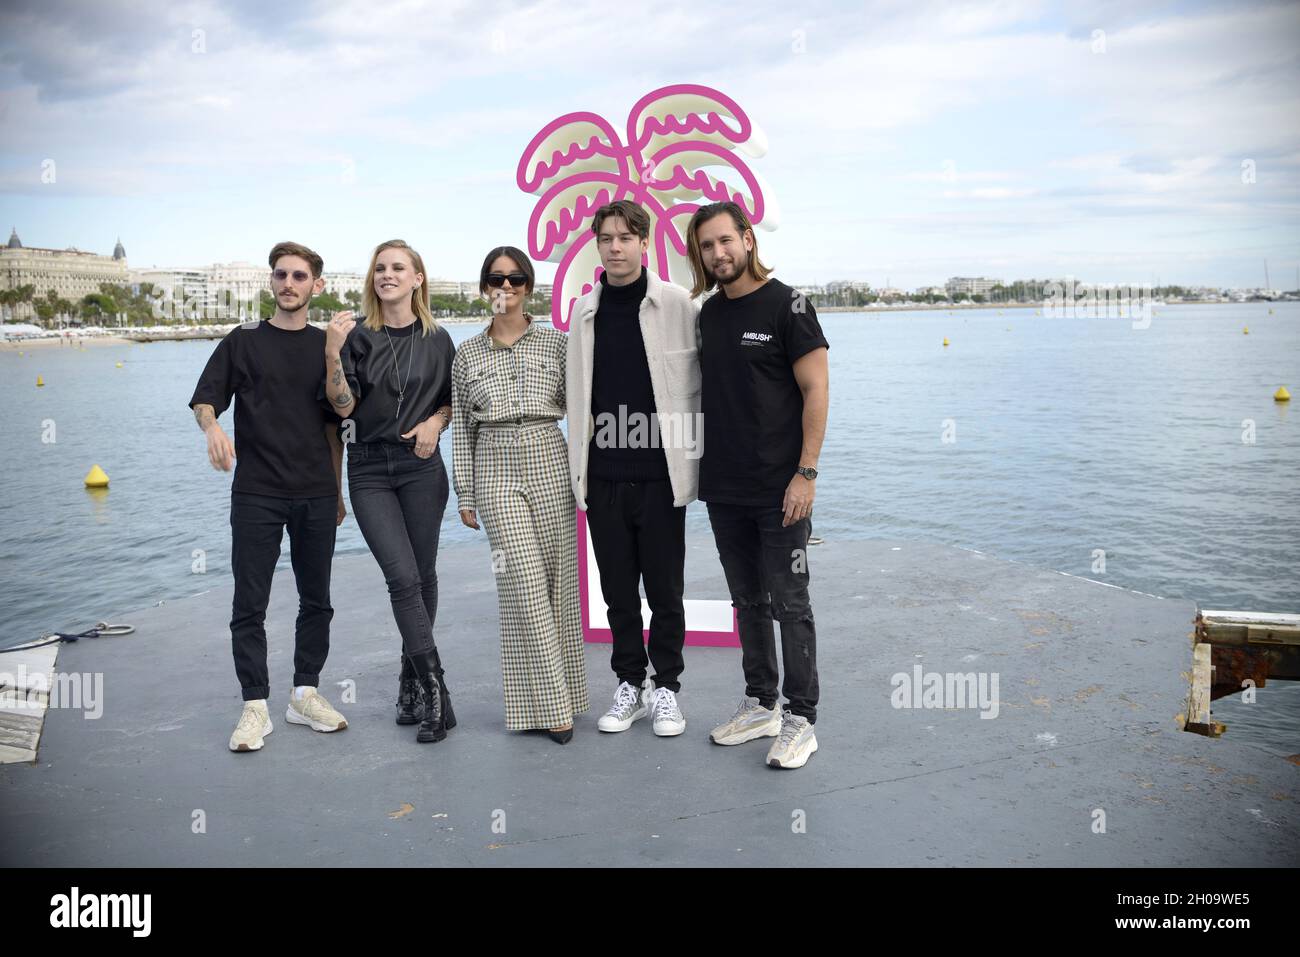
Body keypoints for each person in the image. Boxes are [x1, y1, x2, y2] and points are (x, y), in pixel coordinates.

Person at [685, 202, 830, 769]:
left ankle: (801, 720)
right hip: (724, 486)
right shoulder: (709, 314)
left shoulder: (789, 304)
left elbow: (816, 390)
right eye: (706, 246)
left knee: (790, 603)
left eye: (725, 240)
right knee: (746, 600)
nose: (718, 253)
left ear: (747, 239)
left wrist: (806, 473)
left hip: (781, 488)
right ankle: (761, 703)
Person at [189, 241, 349, 753]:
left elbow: (338, 425)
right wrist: (213, 428)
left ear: (316, 286)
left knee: (317, 600)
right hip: (257, 490)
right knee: (249, 601)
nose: (288, 283)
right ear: (270, 281)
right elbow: (206, 396)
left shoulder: (328, 344)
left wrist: (338, 489)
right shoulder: (244, 340)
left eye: (300, 276)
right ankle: (255, 705)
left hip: (316, 492)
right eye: (281, 274)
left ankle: (305, 693)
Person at [565, 200, 701, 737]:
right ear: (597, 245)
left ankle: (666, 687)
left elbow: (708, 382)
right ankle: (630, 685)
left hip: (662, 474)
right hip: (602, 476)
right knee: (618, 592)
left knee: (665, 591)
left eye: (625, 237)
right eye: (606, 238)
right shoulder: (583, 312)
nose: (615, 247)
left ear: (644, 243)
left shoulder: (677, 304)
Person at [451, 246, 587, 743]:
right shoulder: (466, 354)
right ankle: (557, 708)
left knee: (558, 587)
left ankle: (554, 699)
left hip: (550, 456)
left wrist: (586, 475)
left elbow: (582, 413)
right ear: (484, 287)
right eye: (494, 279)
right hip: (494, 463)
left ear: (528, 286)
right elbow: (462, 431)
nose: (504, 287)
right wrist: (464, 492)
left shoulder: (557, 343)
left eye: (514, 279)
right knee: (523, 584)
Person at [323, 239, 455, 745]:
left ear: (418, 278)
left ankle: (408, 683)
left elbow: (451, 400)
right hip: (370, 468)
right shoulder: (354, 335)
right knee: (401, 579)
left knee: (423, 576)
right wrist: (333, 352)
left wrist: (435, 423)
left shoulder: (439, 339)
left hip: (422, 467)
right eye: (380, 268)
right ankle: (436, 690)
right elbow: (341, 408)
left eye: (398, 267)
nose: (387, 275)